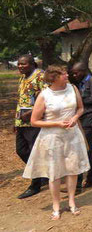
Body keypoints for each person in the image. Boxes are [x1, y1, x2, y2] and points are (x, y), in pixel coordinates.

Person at [23, 65, 90, 220]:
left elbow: (80, 108)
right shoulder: (45, 95)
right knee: (55, 173)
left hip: (72, 136)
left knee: (72, 170)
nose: (67, 75)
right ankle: (56, 206)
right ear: (53, 78)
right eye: (63, 74)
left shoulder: (73, 88)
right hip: (52, 138)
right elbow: (34, 121)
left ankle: (72, 202)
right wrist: (57, 124)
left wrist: (74, 118)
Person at [14, 55, 47, 199]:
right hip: (22, 122)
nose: (20, 66)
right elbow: (21, 100)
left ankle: (35, 184)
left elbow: (48, 97)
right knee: (21, 150)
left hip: (35, 121)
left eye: (24, 64)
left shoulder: (41, 76)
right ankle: (42, 173)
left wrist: (32, 113)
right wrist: (16, 121)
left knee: (34, 152)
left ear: (32, 64)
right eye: (19, 64)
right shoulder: (22, 77)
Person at [71, 62, 92, 189]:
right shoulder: (80, 83)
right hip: (82, 118)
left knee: (83, 147)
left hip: (90, 117)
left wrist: (78, 100)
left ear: (83, 71)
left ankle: (78, 183)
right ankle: (91, 178)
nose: (74, 75)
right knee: (87, 148)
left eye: (76, 72)